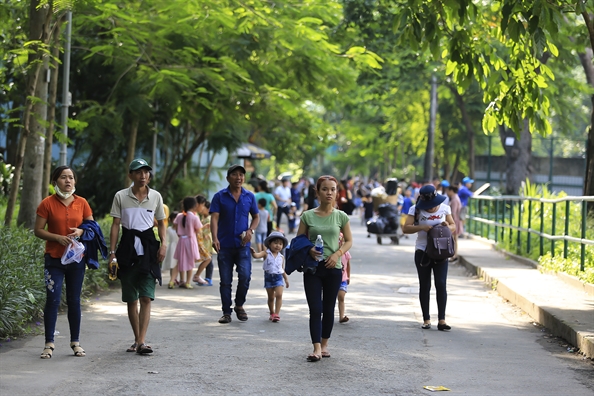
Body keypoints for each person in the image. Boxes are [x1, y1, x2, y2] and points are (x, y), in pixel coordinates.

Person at [34, 166, 94, 359]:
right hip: (53, 259)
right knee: (53, 300)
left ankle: (75, 342)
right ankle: (49, 343)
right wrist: (57, 238)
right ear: (55, 181)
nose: (68, 181)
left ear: (75, 182)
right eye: (63, 177)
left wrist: (81, 232)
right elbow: (38, 230)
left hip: (76, 260)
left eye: (71, 178)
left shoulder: (82, 203)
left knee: (74, 300)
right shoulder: (47, 203)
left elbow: (91, 227)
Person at [109, 158, 167, 355]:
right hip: (127, 248)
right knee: (131, 299)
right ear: (131, 175)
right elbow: (115, 225)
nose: (143, 176)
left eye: (146, 172)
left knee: (146, 297)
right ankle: (137, 339)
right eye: (138, 172)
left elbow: (161, 222)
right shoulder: (120, 196)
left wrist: (163, 244)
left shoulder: (156, 196)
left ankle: (142, 341)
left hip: (149, 248)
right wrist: (112, 253)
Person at [297, 175, 353, 362]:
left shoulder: (341, 216)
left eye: (333, 189)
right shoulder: (307, 216)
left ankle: (325, 344)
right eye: (325, 189)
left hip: (333, 268)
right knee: (315, 308)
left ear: (337, 192)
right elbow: (299, 241)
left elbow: (349, 241)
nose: (329, 193)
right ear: (317, 192)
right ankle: (316, 348)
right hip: (313, 268)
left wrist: (337, 254)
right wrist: (309, 249)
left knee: (329, 308)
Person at [402, 184, 456, 331]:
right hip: (422, 253)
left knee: (441, 283)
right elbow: (405, 228)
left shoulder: (445, 208)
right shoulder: (416, 210)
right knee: (425, 285)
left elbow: (453, 226)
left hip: (441, 251)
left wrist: (446, 226)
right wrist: (421, 227)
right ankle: (426, 319)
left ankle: (442, 320)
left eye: (433, 205)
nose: (432, 208)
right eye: (429, 206)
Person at [210, 164, 260, 324]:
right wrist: (214, 238)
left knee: (245, 276)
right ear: (228, 178)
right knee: (225, 280)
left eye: (241, 175)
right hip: (224, 244)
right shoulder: (219, 196)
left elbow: (256, 217)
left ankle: (239, 305)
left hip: (243, 245)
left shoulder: (249, 196)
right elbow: (214, 218)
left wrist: (251, 230)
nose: (239, 177)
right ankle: (226, 312)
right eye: (235, 174)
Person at [250, 231, 289, 322]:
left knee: (279, 295)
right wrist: (253, 253)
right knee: (271, 297)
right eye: (275, 243)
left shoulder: (281, 257)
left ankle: (276, 314)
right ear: (269, 243)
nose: (278, 245)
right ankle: (271, 312)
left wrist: (286, 279)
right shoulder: (265, 253)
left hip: (278, 277)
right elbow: (257, 256)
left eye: (280, 244)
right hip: (268, 278)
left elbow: (282, 269)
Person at [173, 196, 203, 289]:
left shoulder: (179, 216)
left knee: (181, 260)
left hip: (181, 240)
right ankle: (188, 282)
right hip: (190, 240)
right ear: (194, 205)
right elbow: (198, 229)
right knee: (190, 261)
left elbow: (176, 228)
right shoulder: (194, 217)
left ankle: (182, 280)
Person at [194, 200, 214, 286]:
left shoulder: (210, 218)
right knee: (208, 259)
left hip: (207, 242)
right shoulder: (203, 218)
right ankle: (205, 278)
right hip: (203, 242)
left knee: (209, 259)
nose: (202, 209)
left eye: (203, 208)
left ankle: (208, 278)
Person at [337, 233, 352, 324]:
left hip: (343, 279)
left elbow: (348, 265)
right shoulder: (331, 252)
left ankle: (341, 316)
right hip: (331, 278)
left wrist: (348, 276)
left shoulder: (346, 253)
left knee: (341, 297)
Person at [162, 211, 180, 287]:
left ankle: (175, 278)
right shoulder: (169, 229)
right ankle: (172, 278)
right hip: (172, 247)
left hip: (178, 247)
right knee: (172, 263)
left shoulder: (181, 229)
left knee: (177, 263)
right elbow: (166, 237)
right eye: (174, 218)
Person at [446, 185, 462, 262]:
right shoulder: (455, 198)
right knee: (454, 239)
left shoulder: (455, 199)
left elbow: (453, 213)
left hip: (454, 221)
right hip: (455, 220)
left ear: (451, 191)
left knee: (454, 239)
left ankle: (454, 255)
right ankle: (454, 254)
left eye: (448, 191)